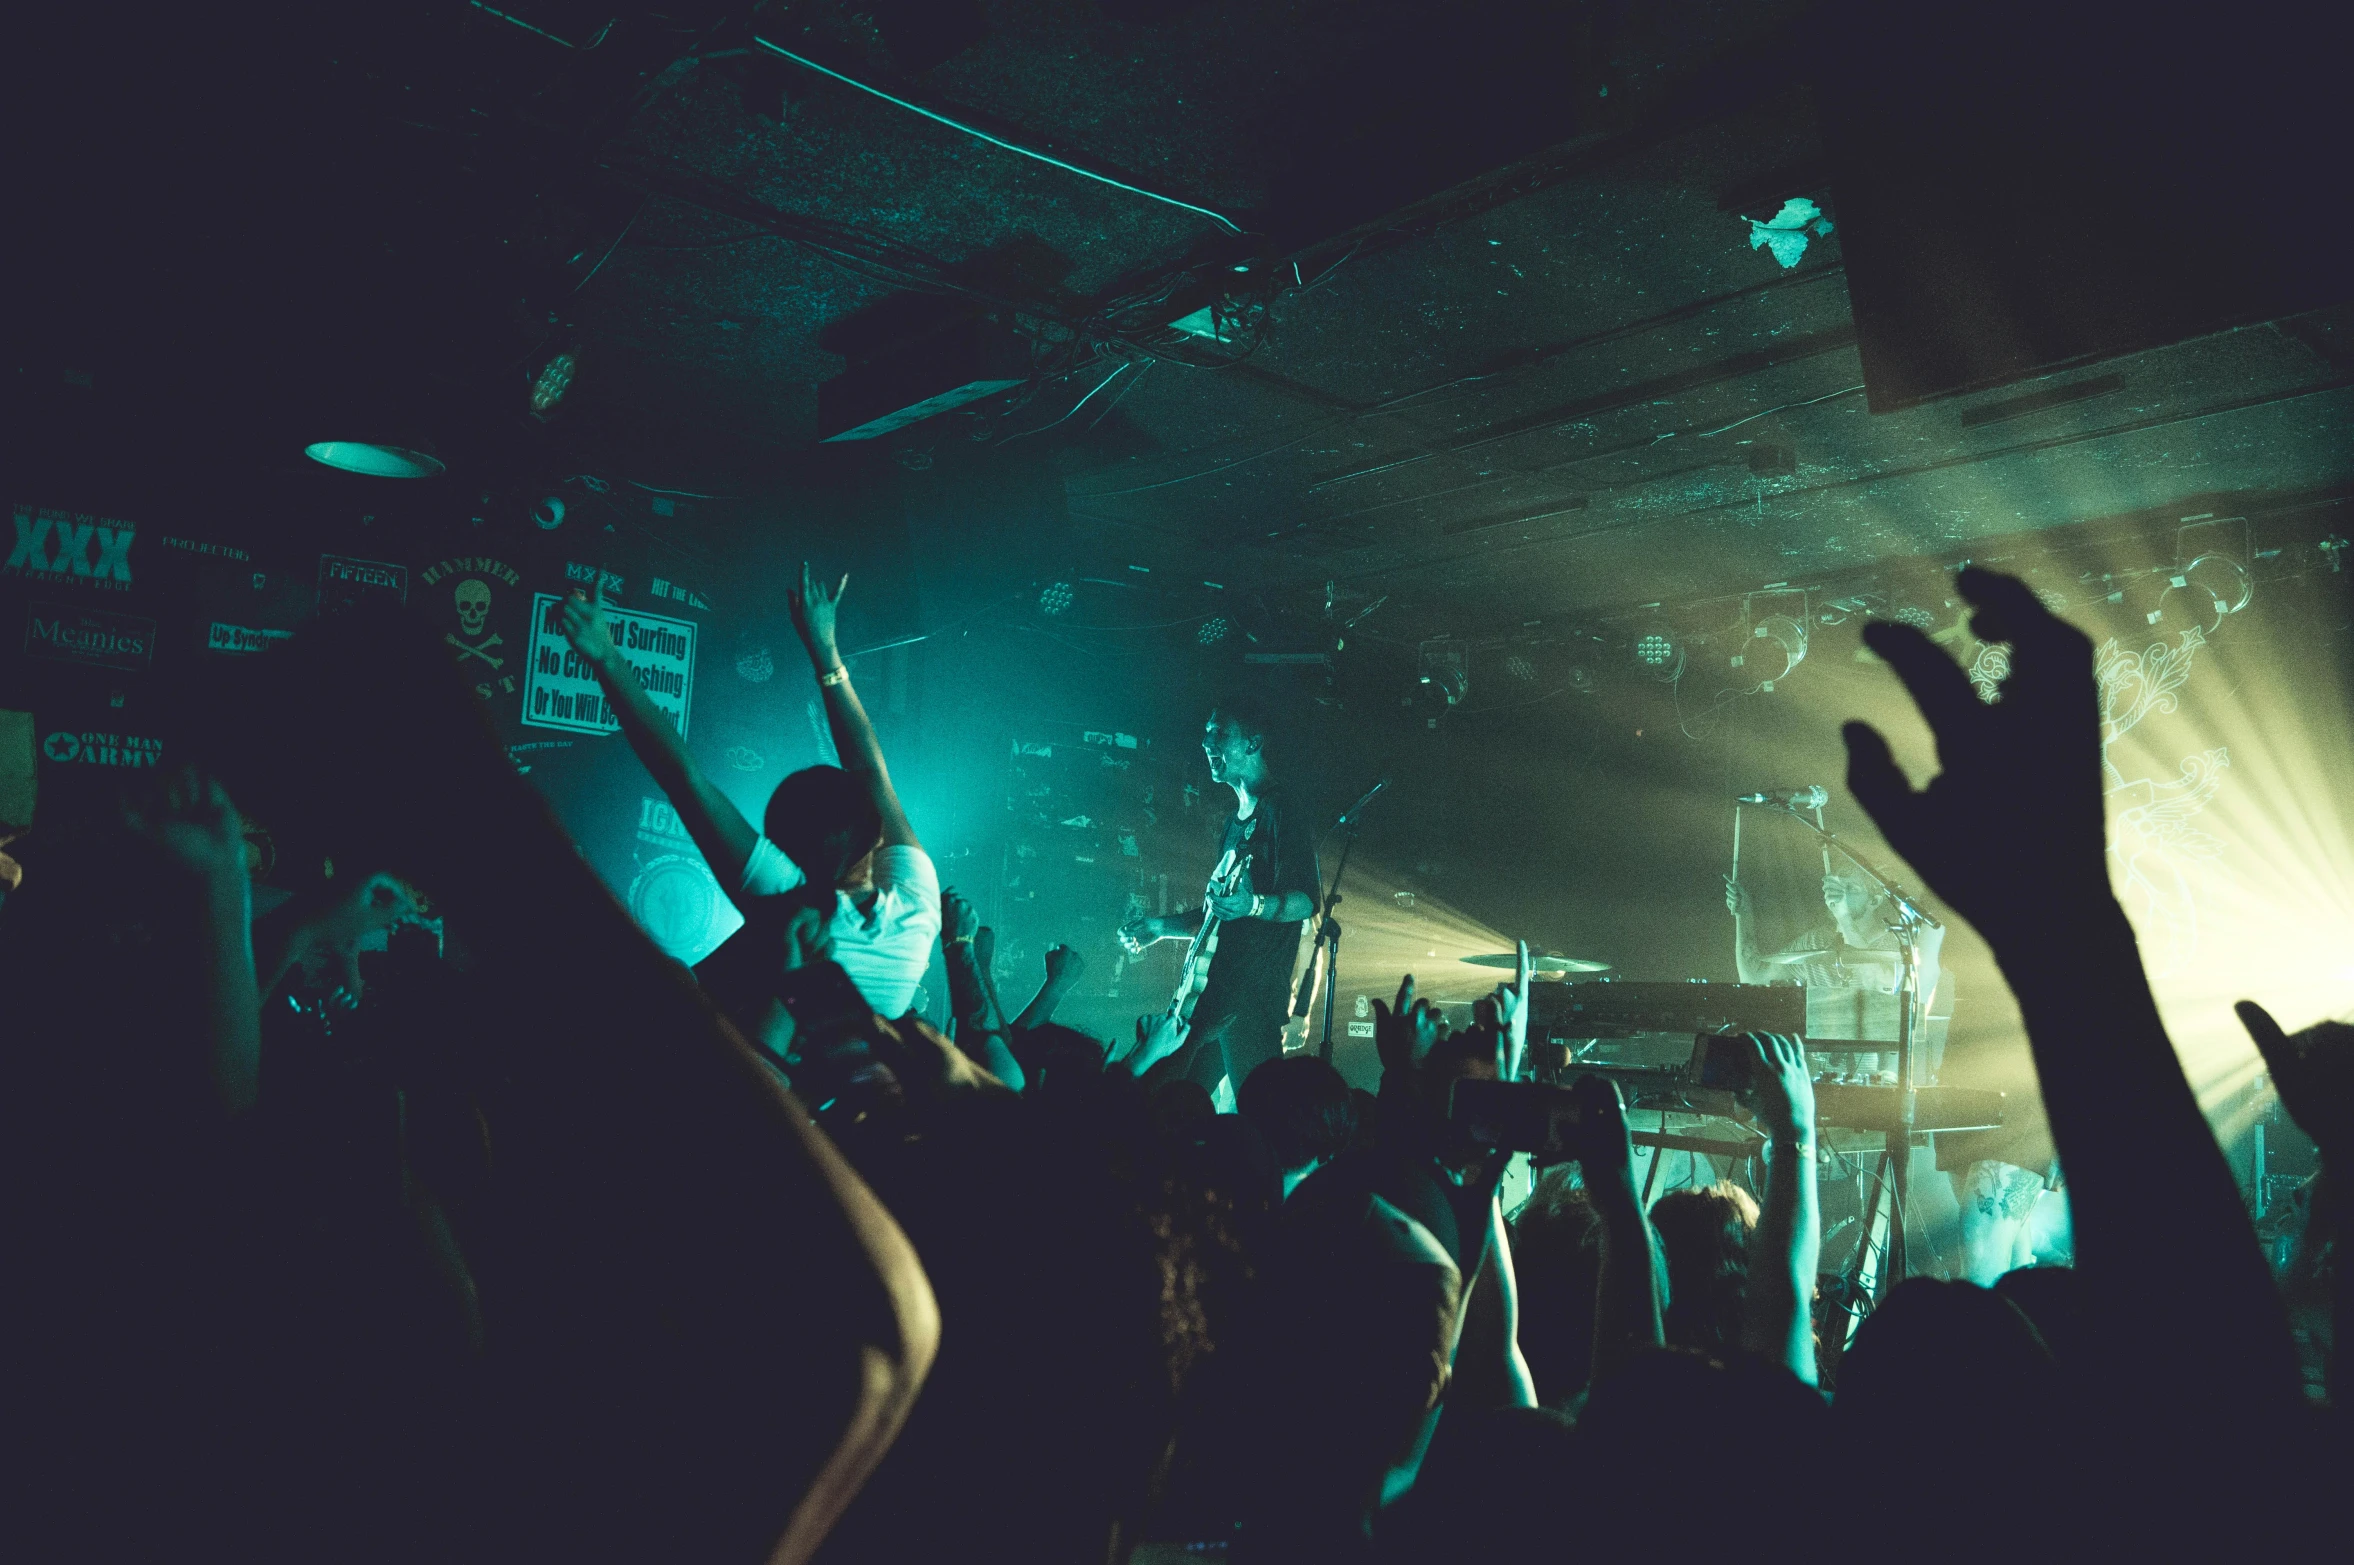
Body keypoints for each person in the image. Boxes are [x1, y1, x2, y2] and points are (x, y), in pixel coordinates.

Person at [559, 564, 938, 1017]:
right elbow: (869, 771)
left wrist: (605, 657)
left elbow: (684, 779)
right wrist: (825, 649)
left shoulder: (782, 899)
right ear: (876, 837)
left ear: (785, 848)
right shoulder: (914, 905)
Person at [1117, 701, 1318, 1101]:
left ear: (1253, 743)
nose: (1206, 741)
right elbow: (1220, 917)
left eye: (1220, 733)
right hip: (1211, 996)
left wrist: (1254, 905)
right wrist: (1160, 928)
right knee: (1167, 1104)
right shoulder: (1233, 822)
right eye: (1207, 732)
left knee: (1261, 1115)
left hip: (1249, 999)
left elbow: (1307, 902)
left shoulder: (1282, 811)